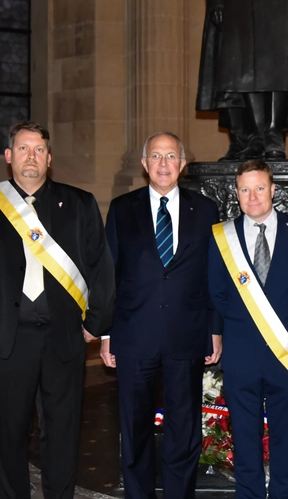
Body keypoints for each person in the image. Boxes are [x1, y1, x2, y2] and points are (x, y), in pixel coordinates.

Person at [0, 121, 115, 499]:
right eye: (23, 149)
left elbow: (101, 268)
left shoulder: (79, 203)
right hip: (6, 338)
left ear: (49, 158)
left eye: (39, 150)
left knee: (62, 432)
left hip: (64, 338)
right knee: (8, 435)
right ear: (9, 156)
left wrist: (95, 323)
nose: (31, 157)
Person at [101, 132, 221, 499]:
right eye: (156, 156)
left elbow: (214, 275)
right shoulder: (122, 209)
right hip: (134, 335)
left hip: (187, 334)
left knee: (183, 427)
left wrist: (214, 330)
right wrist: (107, 333)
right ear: (144, 164)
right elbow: (110, 275)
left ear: (183, 164)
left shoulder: (205, 210)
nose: (164, 164)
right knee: (134, 425)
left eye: (171, 156)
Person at [207, 160, 288, 498]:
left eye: (259, 188)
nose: (252, 196)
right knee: (245, 435)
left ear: (272, 190)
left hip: (286, 351)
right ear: (236, 193)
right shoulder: (222, 236)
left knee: (285, 434)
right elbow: (217, 293)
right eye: (244, 189)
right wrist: (246, 325)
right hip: (241, 352)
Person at [196, 0, 288, 160]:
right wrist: (216, 0)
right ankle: (257, 137)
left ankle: (273, 134)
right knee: (244, 63)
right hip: (241, 1)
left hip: (284, 0)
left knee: (281, 60)